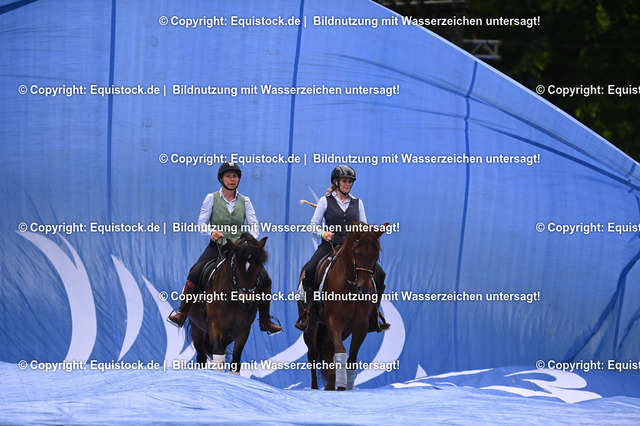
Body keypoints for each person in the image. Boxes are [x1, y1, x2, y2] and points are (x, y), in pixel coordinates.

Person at [167, 161, 282, 334]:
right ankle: (182, 313)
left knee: (264, 278)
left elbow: (254, 225)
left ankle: (265, 320)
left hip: (239, 250)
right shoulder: (211, 198)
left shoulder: (245, 201)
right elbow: (201, 223)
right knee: (195, 272)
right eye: (228, 176)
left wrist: (248, 239)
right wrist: (211, 232)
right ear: (221, 179)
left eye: (235, 176)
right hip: (217, 247)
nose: (232, 179)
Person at [295, 165, 390, 332]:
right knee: (310, 270)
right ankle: (309, 312)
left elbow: (364, 227)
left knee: (380, 274)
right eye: (345, 181)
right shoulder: (325, 201)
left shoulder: (358, 202)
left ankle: (374, 314)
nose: (347, 184)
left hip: (353, 250)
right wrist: (323, 233)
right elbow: (313, 225)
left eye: (350, 181)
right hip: (330, 246)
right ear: (336, 182)